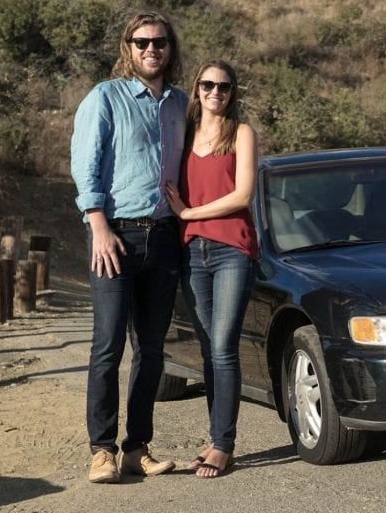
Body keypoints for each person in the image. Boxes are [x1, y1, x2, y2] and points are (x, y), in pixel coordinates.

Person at [70, 11, 187, 484]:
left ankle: (137, 447)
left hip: (164, 236)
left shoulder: (182, 103)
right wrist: (98, 225)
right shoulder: (105, 96)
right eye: (141, 42)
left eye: (159, 42)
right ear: (128, 47)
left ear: (170, 47)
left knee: (153, 349)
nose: (151, 49)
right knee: (107, 345)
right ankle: (102, 451)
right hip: (115, 235)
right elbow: (85, 165)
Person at [164, 60, 258, 479]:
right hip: (191, 252)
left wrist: (189, 212)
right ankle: (215, 437)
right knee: (207, 350)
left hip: (231, 251)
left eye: (224, 86)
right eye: (207, 85)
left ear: (232, 92)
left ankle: (224, 445)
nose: (215, 92)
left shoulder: (242, 134)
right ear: (197, 89)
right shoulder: (183, 135)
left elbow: (242, 196)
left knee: (222, 347)